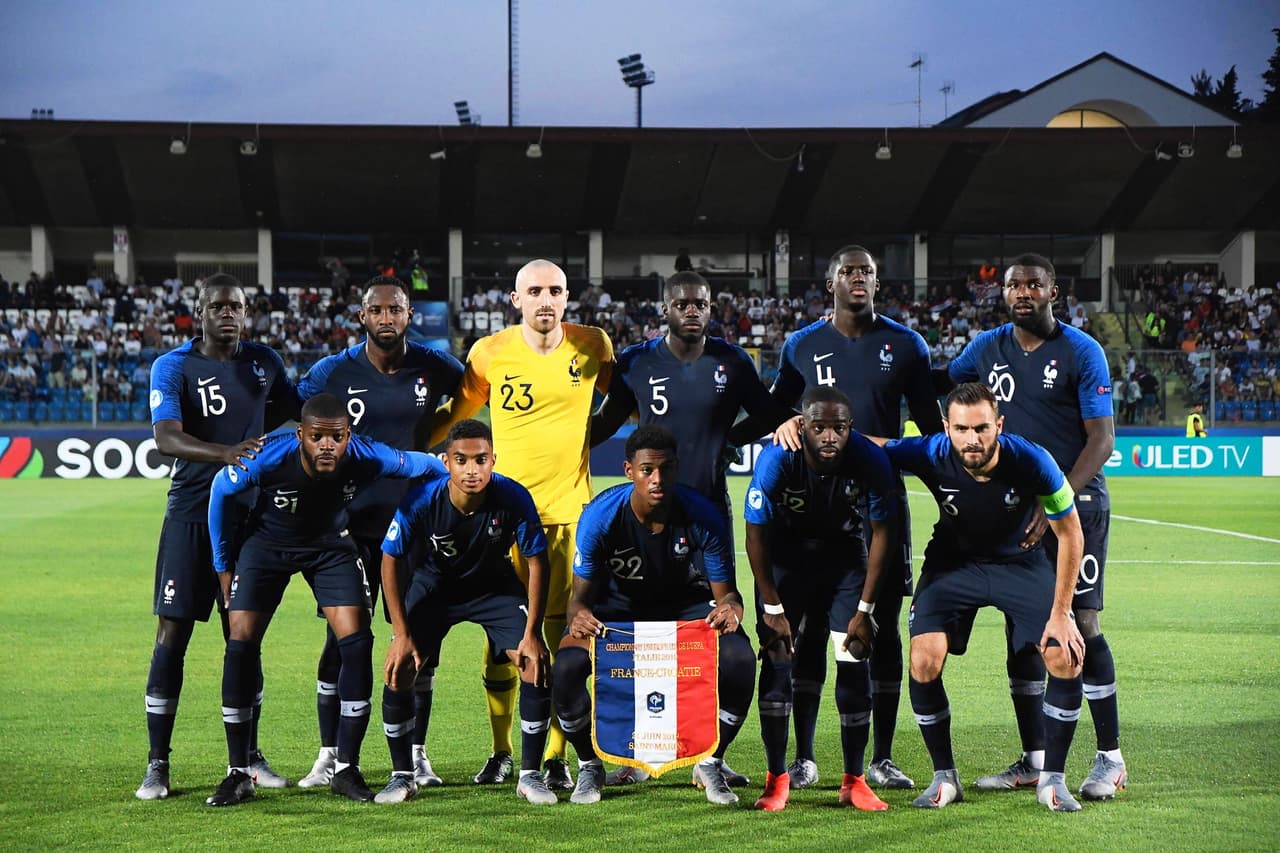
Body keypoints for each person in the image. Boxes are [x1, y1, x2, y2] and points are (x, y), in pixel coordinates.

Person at [731, 244, 943, 792]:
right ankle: (803, 758)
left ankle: (883, 757)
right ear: (830, 283)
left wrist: (882, 450)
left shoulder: (907, 344)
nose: (858, 279)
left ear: (877, 283)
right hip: (808, 515)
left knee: (883, 631)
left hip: (877, 509)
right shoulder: (802, 344)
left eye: (867, 272)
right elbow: (779, 409)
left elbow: (930, 430)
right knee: (801, 633)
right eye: (847, 271)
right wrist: (757, 432)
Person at [589, 270, 792, 787]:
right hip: (646, 521)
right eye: (682, 303)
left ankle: (710, 757)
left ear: (711, 308)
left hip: (707, 520)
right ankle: (640, 755)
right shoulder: (635, 362)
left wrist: (729, 438)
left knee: (715, 633)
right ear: (666, 310)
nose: (693, 310)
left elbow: (768, 413)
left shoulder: (732, 361)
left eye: (701, 303)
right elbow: (608, 421)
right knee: (645, 635)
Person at [429, 258, 613, 790]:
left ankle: (555, 755)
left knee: (564, 640)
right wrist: (409, 440)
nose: (546, 300)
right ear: (515, 299)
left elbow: (623, 401)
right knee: (502, 641)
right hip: (501, 522)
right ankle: (503, 750)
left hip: (568, 519)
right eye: (535, 291)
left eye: (555, 290)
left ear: (567, 296)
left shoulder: (592, 345)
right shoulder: (490, 353)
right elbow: (457, 414)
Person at [204, 393, 440, 806]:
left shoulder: (368, 455)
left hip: (331, 547)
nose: (327, 446)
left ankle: (346, 768)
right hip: (266, 546)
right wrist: (224, 566)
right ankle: (237, 772)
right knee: (239, 643)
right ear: (301, 435)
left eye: (336, 437)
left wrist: (459, 476)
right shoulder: (266, 457)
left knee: (357, 639)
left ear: (349, 435)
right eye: (317, 437)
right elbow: (221, 490)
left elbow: (424, 465)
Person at [946, 253, 1124, 801]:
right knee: (1023, 630)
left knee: (1081, 625)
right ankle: (1035, 756)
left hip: (1075, 506)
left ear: (1054, 292)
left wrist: (1056, 504)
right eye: (1013, 285)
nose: (1022, 293)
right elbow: (950, 391)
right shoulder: (986, 347)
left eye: (1034, 285)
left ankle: (1109, 758)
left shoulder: (1081, 351)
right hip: (1012, 509)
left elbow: (1102, 440)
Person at [881, 382, 1087, 812]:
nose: (971, 439)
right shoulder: (931, 452)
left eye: (981, 428)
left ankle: (1053, 780)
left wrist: (1063, 612)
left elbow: (1070, 532)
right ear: (945, 427)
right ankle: (944, 777)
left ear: (999, 425)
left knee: (1063, 654)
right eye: (961, 429)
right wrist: (802, 427)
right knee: (923, 658)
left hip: (1021, 563)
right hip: (953, 564)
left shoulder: (1032, 460)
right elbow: (873, 446)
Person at [295, 276, 463, 789]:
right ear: (362, 316)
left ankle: (416, 753)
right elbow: (295, 419)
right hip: (350, 530)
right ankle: (329, 755)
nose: (387, 318)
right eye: (377, 310)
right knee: (341, 639)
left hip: (414, 528)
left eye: (396, 310)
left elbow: (472, 393)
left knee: (418, 644)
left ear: (410, 316)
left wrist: (441, 442)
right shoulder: (332, 371)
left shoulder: (435, 366)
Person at [135, 274, 295, 801]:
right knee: (173, 635)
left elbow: (293, 417)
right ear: (199, 311)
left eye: (238, 307)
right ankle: (158, 764)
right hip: (189, 516)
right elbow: (165, 439)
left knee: (243, 638)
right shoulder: (174, 365)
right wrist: (226, 453)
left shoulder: (264, 363)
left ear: (247, 313)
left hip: (248, 521)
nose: (229, 314)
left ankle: (249, 757)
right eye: (219, 306)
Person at [550, 425, 756, 806]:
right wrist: (578, 617)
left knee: (741, 659)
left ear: (676, 469)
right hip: (618, 610)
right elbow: (578, 601)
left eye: (666, 469)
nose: (657, 479)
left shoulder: (702, 515)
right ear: (629, 470)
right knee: (565, 668)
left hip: (685, 608)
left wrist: (732, 608)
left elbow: (727, 593)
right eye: (647, 470)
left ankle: (711, 761)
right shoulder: (600, 517)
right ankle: (589, 765)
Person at [378, 419, 553, 804]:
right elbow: (390, 559)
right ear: (446, 462)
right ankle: (401, 775)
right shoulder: (422, 500)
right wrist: (401, 634)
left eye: (481, 459)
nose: (471, 469)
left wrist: (532, 633)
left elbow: (537, 562)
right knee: (401, 667)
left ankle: (530, 776)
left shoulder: (513, 496)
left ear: (494, 460)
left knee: (534, 663)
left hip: (494, 588)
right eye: (461, 460)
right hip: (434, 586)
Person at [744, 387, 900, 812]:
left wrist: (865, 611)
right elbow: (754, 531)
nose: (829, 436)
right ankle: (776, 779)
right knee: (777, 659)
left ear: (851, 428)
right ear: (803, 427)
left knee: (854, 657)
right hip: (785, 562)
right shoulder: (779, 457)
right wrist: (772, 607)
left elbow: (884, 532)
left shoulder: (868, 457)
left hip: (845, 561)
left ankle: (855, 780)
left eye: (838, 428)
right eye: (819, 427)